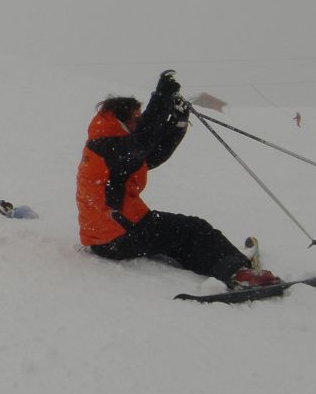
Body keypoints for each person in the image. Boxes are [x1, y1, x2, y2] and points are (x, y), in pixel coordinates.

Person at [76, 69, 278, 289]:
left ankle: (224, 263)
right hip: (118, 234)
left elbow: (153, 154)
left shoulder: (109, 146)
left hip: (110, 235)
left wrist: (178, 122)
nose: (140, 122)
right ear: (119, 120)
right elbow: (144, 141)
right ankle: (238, 273)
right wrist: (162, 96)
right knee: (194, 229)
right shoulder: (107, 145)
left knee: (177, 237)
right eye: (136, 118)